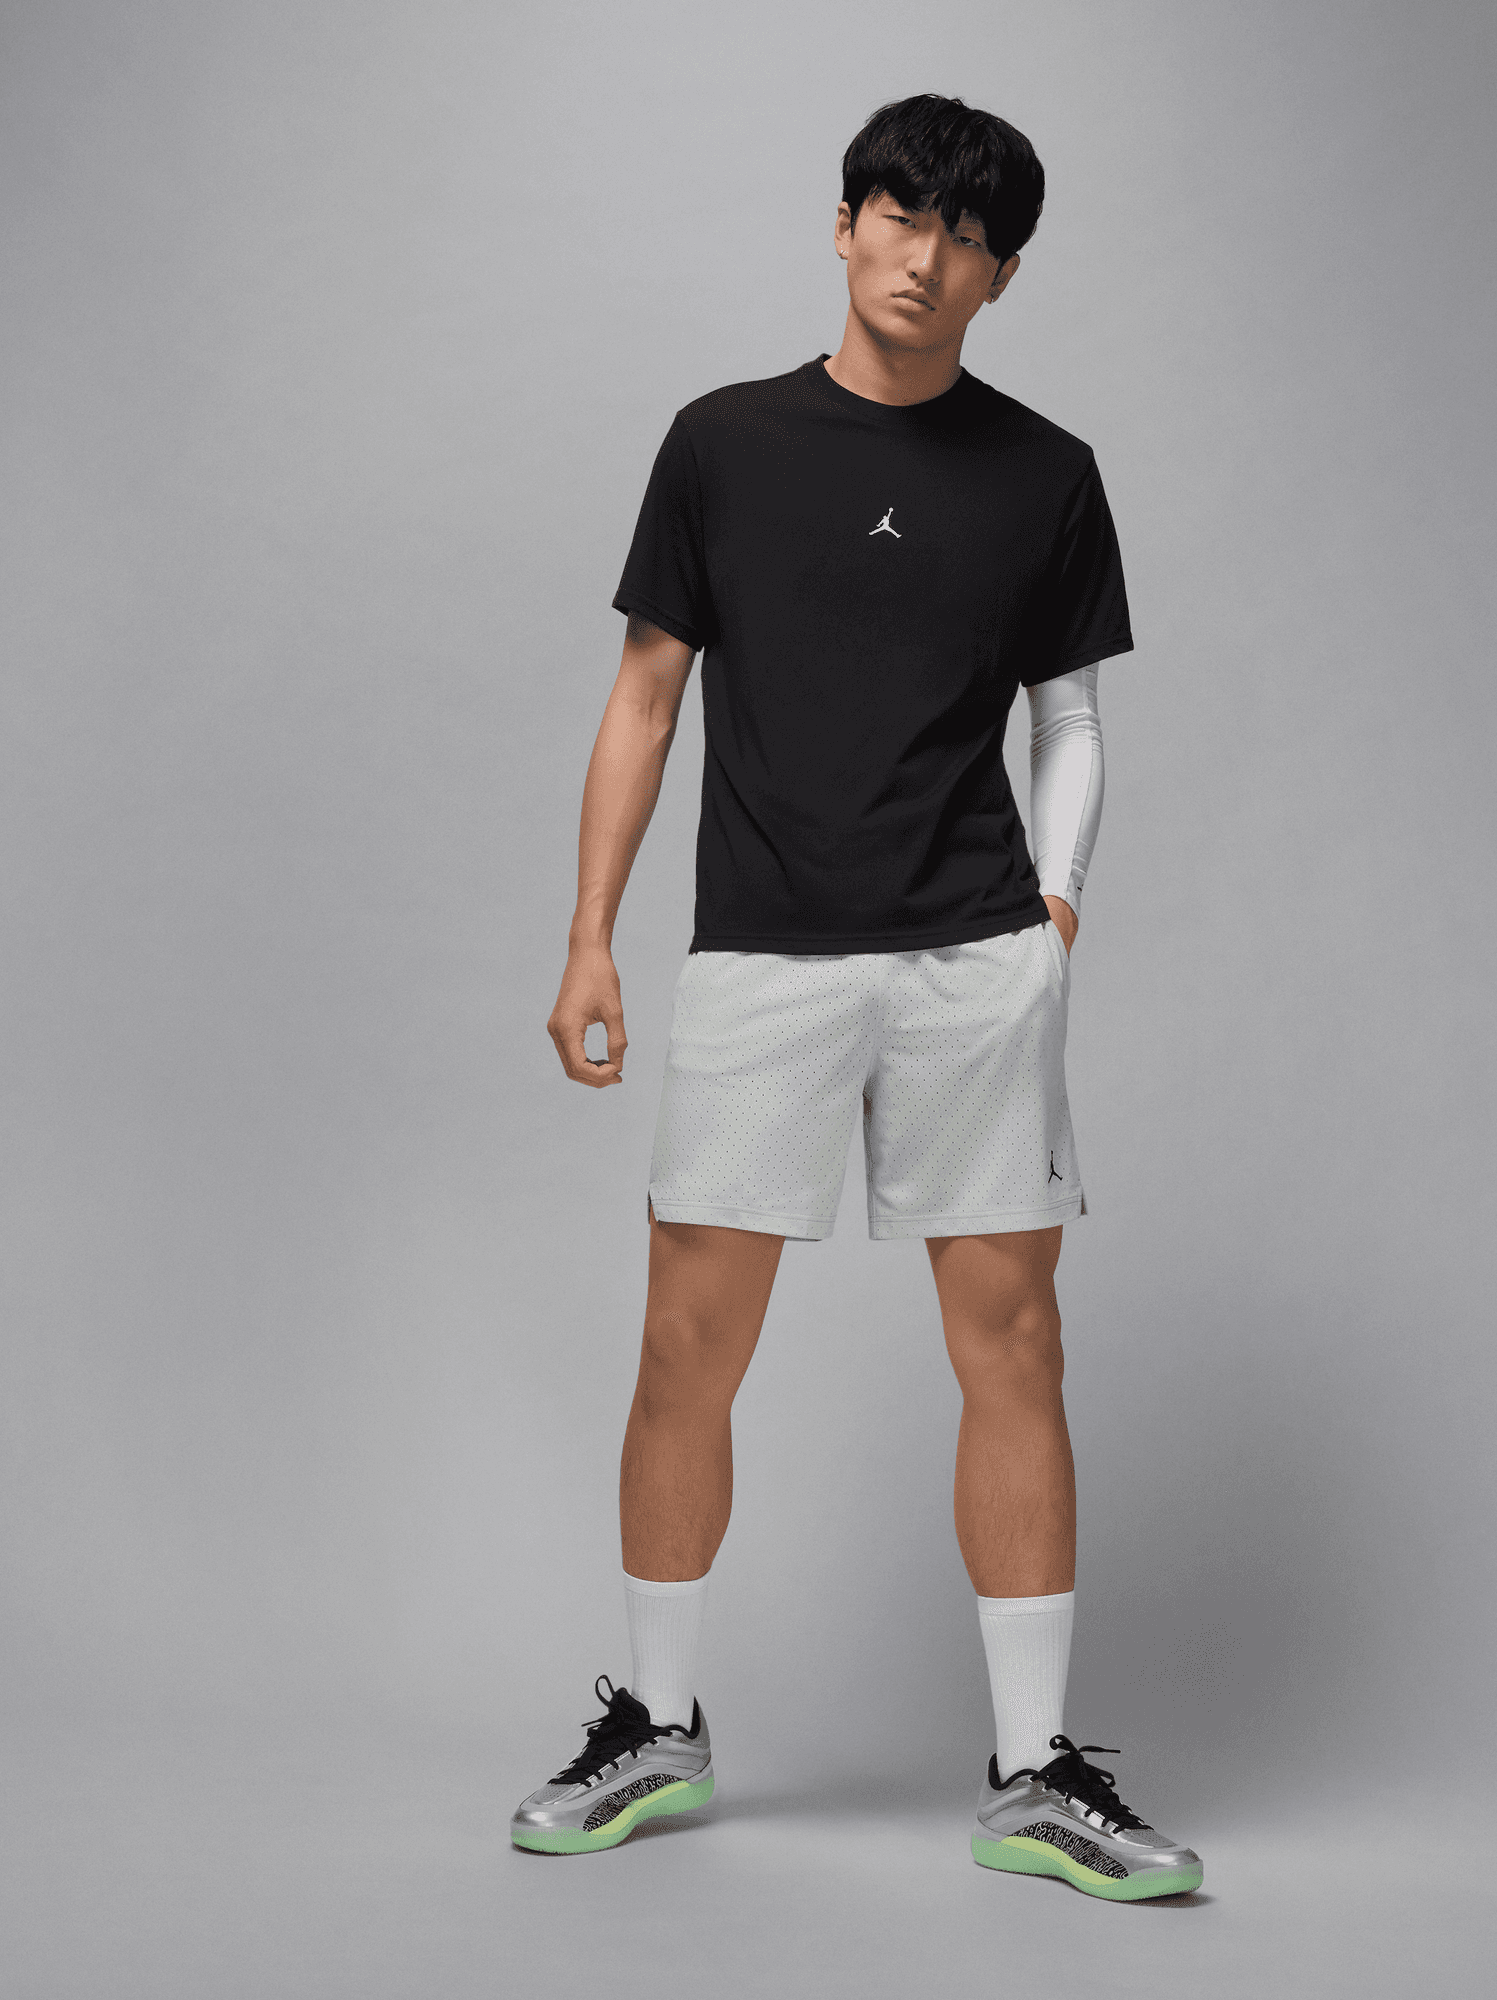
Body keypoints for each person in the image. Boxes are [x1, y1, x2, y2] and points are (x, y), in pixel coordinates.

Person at [509, 93, 1201, 1902]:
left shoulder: (1046, 473)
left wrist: (1054, 914)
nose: (925, 257)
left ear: (1003, 275)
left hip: (974, 959)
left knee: (1016, 1345)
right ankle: (658, 1725)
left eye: (967, 237)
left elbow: (1071, 717)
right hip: (763, 955)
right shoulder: (722, 444)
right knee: (686, 1346)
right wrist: (590, 936)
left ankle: (1036, 1771)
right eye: (901, 214)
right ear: (844, 224)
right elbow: (646, 694)